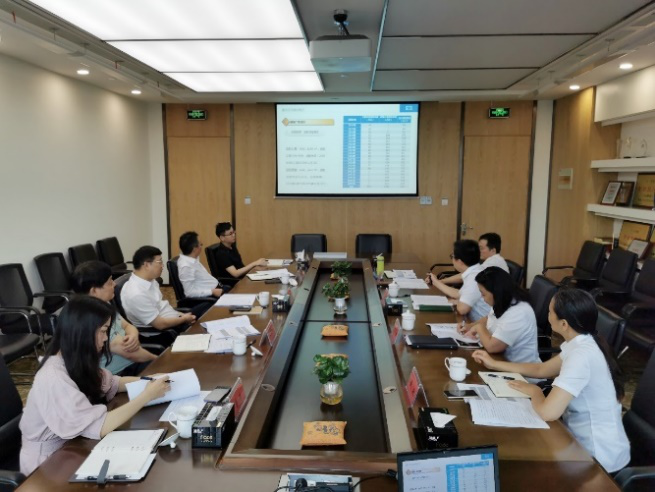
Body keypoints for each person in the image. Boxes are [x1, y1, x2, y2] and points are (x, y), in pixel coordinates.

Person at [472, 288, 630, 473]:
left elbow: (548, 413)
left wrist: (534, 391)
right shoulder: (582, 342)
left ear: (563, 324)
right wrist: (495, 364)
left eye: (549, 312)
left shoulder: (581, 356)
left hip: (599, 459)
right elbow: (542, 369)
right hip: (579, 443)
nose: (547, 316)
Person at [19, 296, 170, 475]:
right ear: (83, 331)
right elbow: (99, 426)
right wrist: (147, 395)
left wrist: (148, 380)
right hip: (48, 464)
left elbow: (113, 382)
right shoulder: (53, 377)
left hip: (72, 446)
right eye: (103, 331)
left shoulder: (74, 359)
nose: (106, 338)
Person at [71, 261, 157, 375]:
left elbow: (126, 325)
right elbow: (130, 353)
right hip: (117, 374)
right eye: (110, 282)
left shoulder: (103, 303)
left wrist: (133, 335)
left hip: (133, 362)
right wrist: (157, 360)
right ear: (94, 291)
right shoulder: (92, 317)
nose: (114, 284)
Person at [460, 267, 540, 364]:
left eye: (483, 294)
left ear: (496, 292)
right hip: (500, 361)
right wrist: (470, 326)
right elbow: (489, 318)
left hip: (520, 369)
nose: (481, 297)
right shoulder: (503, 300)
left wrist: (479, 328)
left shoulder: (519, 313)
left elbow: (492, 347)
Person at [121, 246, 196, 331]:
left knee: (202, 313)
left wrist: (182, 315)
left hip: (174, 319)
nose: (162, 266)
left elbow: (161, 307)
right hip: (165, 332)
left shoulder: (150, 280)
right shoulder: (136, 294)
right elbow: (160, 324)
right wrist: (184, 319)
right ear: (147, 265)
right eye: (160, 262)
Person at [426, 240, 491, 321]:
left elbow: (462, 309)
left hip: (482, 325)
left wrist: (436, 282)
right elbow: (460, 294)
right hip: (476, 322)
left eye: (452, 256)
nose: (452, 259)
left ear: (460, 261)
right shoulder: (477, 270)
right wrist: (437, 282)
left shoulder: (474, 278)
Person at [441, 232, 509, 285]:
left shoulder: (494, 262)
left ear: (493, 250)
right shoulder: (493, 260)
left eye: (481, 248)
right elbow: (468, 273)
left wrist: (441, 281)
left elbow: (467, 275)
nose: (478, 251)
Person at [213, 222, 267, 287]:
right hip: (234, 284)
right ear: (222, 238)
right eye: (230, 234)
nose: (234, 235)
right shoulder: (221, 254)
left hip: (242, 279)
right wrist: (255, 263)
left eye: (233, 232)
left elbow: (240, 266)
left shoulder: (232, 246)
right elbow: (235, 273)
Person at [178, 231, 224, 299]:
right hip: (212, 295)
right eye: (200, 244)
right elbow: (189, 293)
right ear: (194, 248)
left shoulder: (192, 258)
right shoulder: (186, 267)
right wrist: (212, 292)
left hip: (218, 288)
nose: (201, 246)